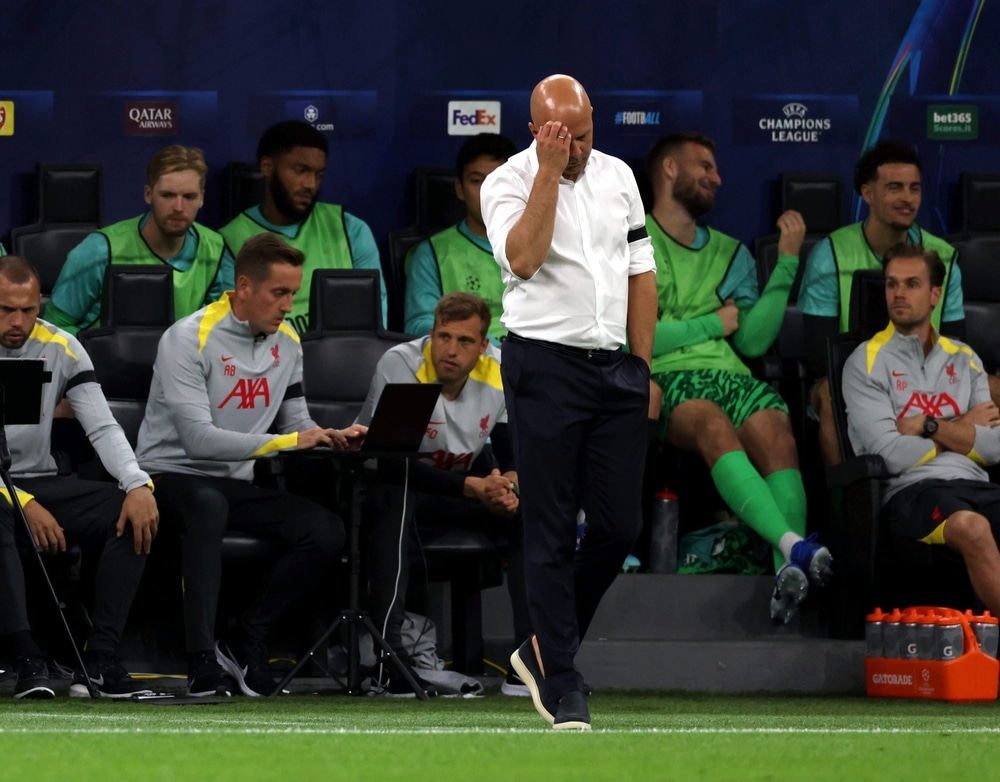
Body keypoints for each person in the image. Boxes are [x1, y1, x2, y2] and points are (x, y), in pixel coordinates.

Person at [479, 74, 657, 731]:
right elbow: (523, 260)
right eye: (561, 137)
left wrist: (642, 367)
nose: (576, 147)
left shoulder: (618, 176)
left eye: (583, 135)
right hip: (544, 365)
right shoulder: (505, 182)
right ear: (536, 131)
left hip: (616, 371)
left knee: (617, 526)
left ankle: (542, 647)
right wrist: (548, 173)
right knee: (549, 528)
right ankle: (565, 680)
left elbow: (642, 271)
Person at [134, 233, 366, 697]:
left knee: (324, 531)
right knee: (206, 504)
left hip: (232, 484)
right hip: (169, 476)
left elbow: (296, 421)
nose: (287, 305)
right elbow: (198, 440)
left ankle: (245, 638)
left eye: (293, 294)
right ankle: (201, 660)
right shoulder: (188, 337)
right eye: (278, 293)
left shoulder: (289, 342)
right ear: (243, 287)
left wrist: (328, 437)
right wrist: (289, 440)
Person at [643, 132, 833, 622]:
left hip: (729, 374)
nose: (717, 177)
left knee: (778, 433)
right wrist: (713, 323)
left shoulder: (731, 254)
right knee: (712, 426)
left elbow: (749, 343)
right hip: (668, 378)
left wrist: (787, 261)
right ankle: (793, 547)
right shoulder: (631, 237)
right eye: (704, 166)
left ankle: (785, 577)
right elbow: (635, 335)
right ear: (668, 168)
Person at [0, 255, 159, 699]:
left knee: (129, 509)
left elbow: (103, 426)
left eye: (28, 310)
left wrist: (136, 482)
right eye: (5, 310)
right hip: (5, 491)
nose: (18, 321)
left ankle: (100, 657)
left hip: (38, 479)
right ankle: (27, 655)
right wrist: (22, 503)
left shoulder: (62, 346)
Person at [360, 292, 530, 696]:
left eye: (465, 341)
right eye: (443, 337)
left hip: (458, 489)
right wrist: (472, 487)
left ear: (483, 346)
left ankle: (529, 661)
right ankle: (389, 658)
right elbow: (392, 462)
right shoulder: (404, 365)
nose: (450, 351)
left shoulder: (498, 372)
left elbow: (513, 456)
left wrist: (508, 488)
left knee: (530, 509)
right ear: (431, 334)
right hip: (386, 491)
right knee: (396, 493)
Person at [842, 244, 1000, 613]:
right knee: (973, 529)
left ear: (934, 295)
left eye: (911, 284)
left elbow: (994, 448)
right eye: (891, 284)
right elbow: (891, 456)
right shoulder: (865, 362)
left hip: (975, 483)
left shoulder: (965, 358)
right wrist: (961, 428)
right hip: (913, 492)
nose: (898, 293)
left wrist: (927, 427)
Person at [797, 140, 973, 465]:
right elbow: (820, 355)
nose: (907, 198)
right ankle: (852, 504)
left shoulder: (943, 258)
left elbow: (955, 342)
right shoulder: (830, 255)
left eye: (914, 189)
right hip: (852, 375)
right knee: (826, 395)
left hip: (929, 374)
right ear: (868, 194)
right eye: (894, 188)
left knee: (991, 389)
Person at [45, 145, 233, 335]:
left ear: (202, 198)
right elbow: (53, 328)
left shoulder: (216, 252)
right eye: (167, 195)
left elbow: (223, 333)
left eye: (189, 197)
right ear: (148, 194)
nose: (178, 207)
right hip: (101, 363)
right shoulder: (100, 250)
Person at [219, 120, 386, 333]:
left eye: (318, 175)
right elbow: (234, 328)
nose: (310, 184)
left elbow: (374, 321)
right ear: (267, 167)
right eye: (300, 171)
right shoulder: (230, 240)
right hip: (263, 362)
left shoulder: (351, 230)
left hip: (340, 361)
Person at [404, 134, 518, 344]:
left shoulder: (540, 245)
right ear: (460, 189)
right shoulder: (431, 254)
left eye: (497, 180)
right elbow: (418, 325)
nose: (487, 191)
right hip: (467, 365)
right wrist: (486, 347)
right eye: (477, 181)